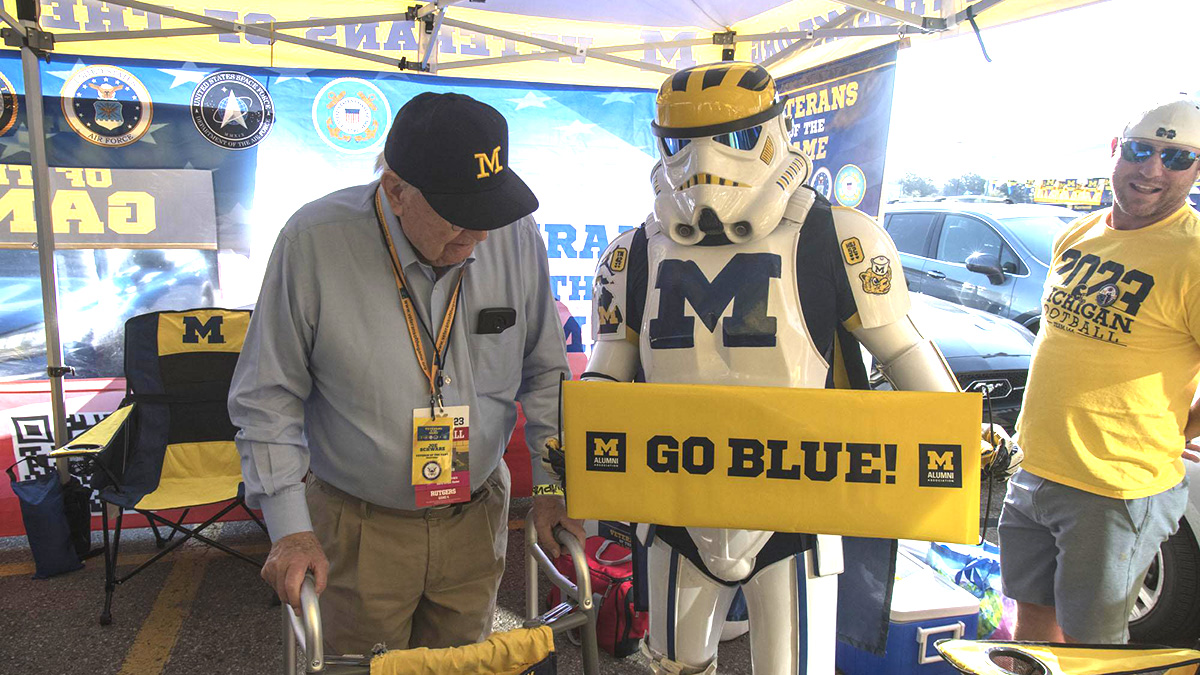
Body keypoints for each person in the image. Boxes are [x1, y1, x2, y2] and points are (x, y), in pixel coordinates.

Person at [573, 61, 969, 674]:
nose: (703, 164)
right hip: (681, 497)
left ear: (772, 132)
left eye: (730, 138)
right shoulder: (634, 253)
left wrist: (956, 432)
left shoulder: (838, 237)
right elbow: (609, 365)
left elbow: (902, 348)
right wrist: (583, 434)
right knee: (674, 665)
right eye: (680, 144)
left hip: (800, 502)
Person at [228, 92, 584, 654]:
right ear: (396, 191)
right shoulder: (315, 242)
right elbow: (266, 397)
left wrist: (550, 486)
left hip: (476, 521)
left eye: (489, 213)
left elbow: (545, 375)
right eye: (461, 215)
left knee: (461, 666)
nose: (480, 237)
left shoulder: (513, 233)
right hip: (358, 530)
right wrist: (292, 530)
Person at [998, 96, 1200, 644]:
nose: (1153, 169)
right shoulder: (1080, 232)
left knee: (1093, 647)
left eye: (1177, 158)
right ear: (1116, 150)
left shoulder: (1193, 255)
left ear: (1196, 169)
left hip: (1115, 489)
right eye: (1140, 149)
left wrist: (1183, 426)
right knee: (1032, 630)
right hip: (1036, 469)